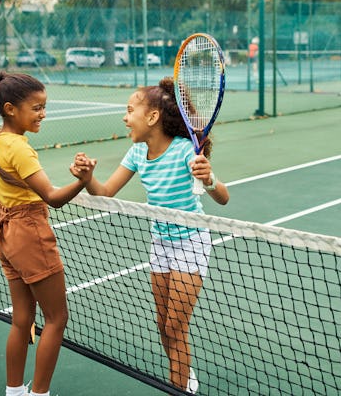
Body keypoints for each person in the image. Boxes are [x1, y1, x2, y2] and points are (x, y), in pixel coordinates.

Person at [78, 77, 230, 394]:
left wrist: (210, 177)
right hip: (160, 243)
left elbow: (223, 198)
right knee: (163, 325)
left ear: (152, 117)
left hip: (191, 243)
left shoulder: (186, 151)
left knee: (176, 325)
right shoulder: (136, 153)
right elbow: (104, 193)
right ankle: (184, 378)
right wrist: (88, 178)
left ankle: (179, 388)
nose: (124, 116)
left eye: (130, 109)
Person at [0, 72, 95, 396]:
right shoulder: (19, 149)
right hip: (30, 234)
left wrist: (9, 224)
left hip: (5, 236)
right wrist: (84, 180)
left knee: (22, 320)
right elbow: (53, 198)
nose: (43, 114)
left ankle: (15, 392)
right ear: (10, 109)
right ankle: (39, 394)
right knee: (57, 318)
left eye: (44, 107)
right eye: (36, 108)